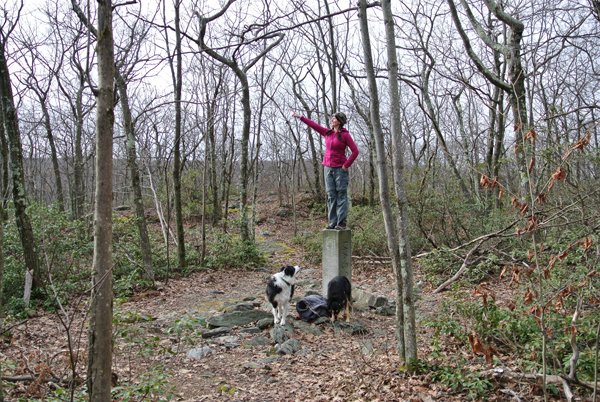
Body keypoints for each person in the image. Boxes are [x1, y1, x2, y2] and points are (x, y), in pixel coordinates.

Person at [292, 110, 359, 230]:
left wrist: (346, 165)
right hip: (328, 169)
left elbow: (355, 151)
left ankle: (341, 222)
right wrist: (300, 117)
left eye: (334, 118)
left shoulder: (345, 135)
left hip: (340, 169)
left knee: (341, 195)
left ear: (339, 122)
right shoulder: (327, 132)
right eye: (332, 118)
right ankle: (333, 222)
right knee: (331, 195)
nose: (331, 120)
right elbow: (314, 125)